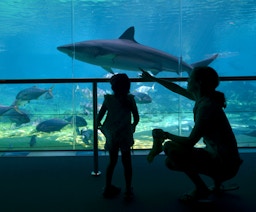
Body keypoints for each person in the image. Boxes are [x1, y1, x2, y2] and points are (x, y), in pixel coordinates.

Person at [140, 67, 242, 203]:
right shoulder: (205, 98)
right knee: (211, 146)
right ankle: (217, 184)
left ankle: (201, 188)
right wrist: (154, 79)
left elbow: (190, 141)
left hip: (225, 164)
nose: (187, 80)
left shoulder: (206, 107)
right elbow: (176, 89)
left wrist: (166, 135)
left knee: (170, 150)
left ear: (198, 82)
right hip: (227, 159)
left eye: (190, 78)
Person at [97, 73, 140, 200]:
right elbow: (136, 117)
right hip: (125, 134)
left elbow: (99, 117)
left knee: (112, 161)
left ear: (113, 87)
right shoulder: (130, 99)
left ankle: (107, 187)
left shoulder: (108, 99)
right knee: (127, 162)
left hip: (112, 134)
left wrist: (102, 128)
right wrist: (132, 127)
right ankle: (128, 189)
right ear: (128, 86)